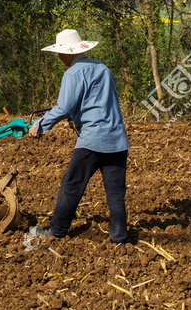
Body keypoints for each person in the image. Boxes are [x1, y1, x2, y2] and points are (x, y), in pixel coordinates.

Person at [30, 29, 130, 245]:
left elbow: (64, 107)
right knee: (115, 194)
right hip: (117, 140)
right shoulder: (103, 69)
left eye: (59, 52)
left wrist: (40, 125)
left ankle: (56, 230)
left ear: (67, 53)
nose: (58, 57)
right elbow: (102, 103)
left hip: (92, 141)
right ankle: (120, 239)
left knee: (71, 185)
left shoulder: (73, 73)